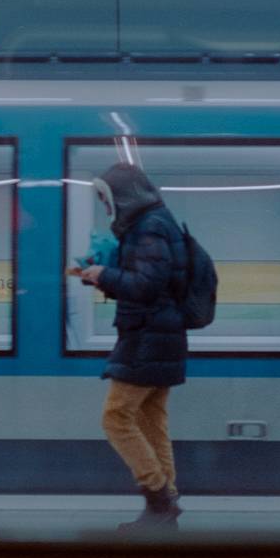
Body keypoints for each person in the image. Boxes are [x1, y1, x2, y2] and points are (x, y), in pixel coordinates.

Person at [79, 162, 188, 530]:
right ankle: (166, 503)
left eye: (105, 199)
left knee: (116, 417)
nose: (106, 207)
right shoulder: (157, 222)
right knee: (151, 419)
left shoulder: (149, 228)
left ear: (122, 196)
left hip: (147, 337)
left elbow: (147, 285)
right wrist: (104, 280)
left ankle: (158, 497)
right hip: (160, 335)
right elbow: (149, 283)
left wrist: (104, 275)